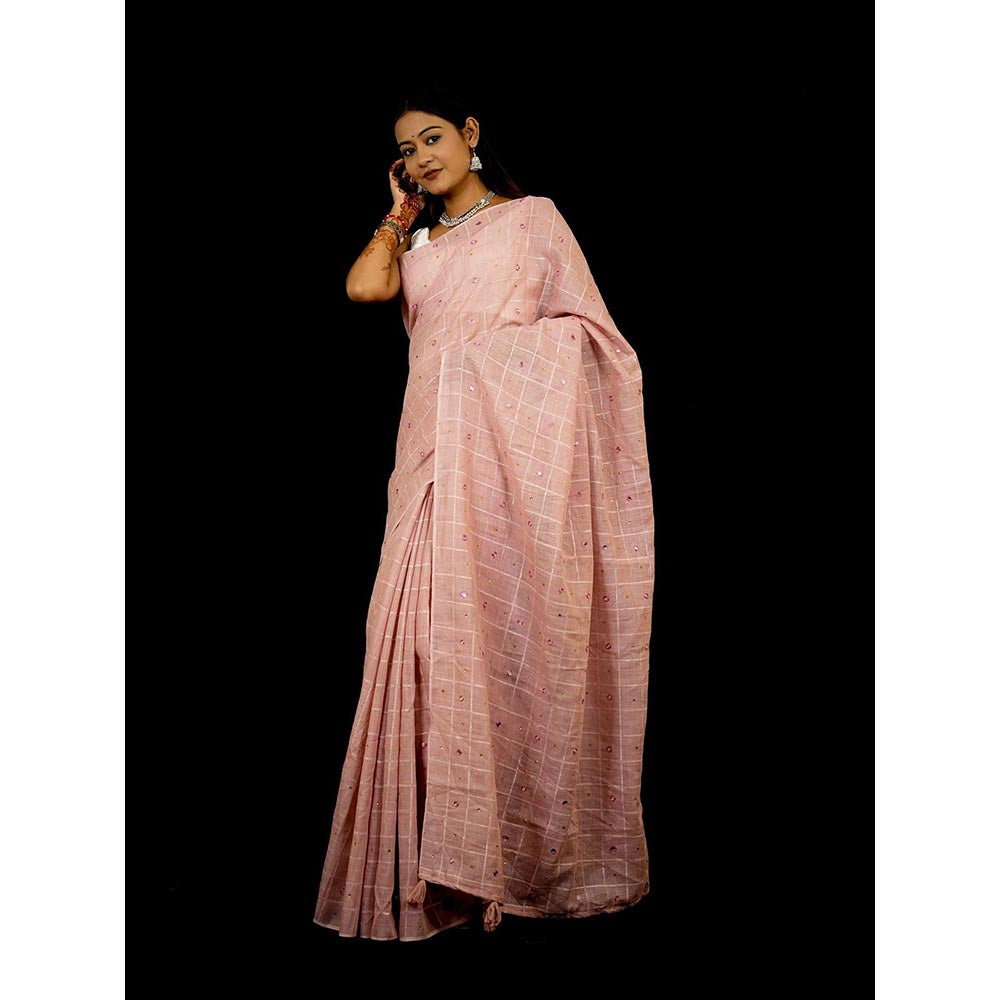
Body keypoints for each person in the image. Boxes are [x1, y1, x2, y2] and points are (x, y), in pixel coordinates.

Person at [313, 88, 656, 942]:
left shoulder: (534, 221)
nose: (422, 157)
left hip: (504, 461)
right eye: (407, 149)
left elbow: (596, 340)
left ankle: (506, 861)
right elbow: (363, 287)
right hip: (429, 456)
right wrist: (398, 217)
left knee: (502, 637)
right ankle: (432, 876)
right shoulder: (417, 242)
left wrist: (485, 366)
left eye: (433, 138)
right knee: (415, 641)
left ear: (470, 135)